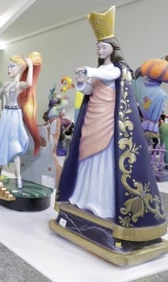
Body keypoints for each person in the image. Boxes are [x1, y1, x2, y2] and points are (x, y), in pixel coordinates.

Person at [57, 6, 166, 237]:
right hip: (92, 119)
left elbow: (108, 76)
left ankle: (103, 204)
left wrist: (89, 70)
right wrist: (81, 80)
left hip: (107, 120)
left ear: (113, 49)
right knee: (87, 157)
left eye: (103, 46)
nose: (100, 49)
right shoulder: (99, 70)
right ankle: (83, 197)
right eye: (98, 47)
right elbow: (89, 90)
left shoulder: (118, 69)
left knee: (104, 160)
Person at [0, 52, 42, 188]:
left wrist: (30, 67)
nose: (9, 69)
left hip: (14, 114)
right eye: (8, 66)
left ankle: (18, 176)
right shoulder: (7, 83)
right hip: (6, 114)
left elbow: (30, 83)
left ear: (20, 67)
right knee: (2, 140)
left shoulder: (19, 85)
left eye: (12, 66)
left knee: (14, 144)